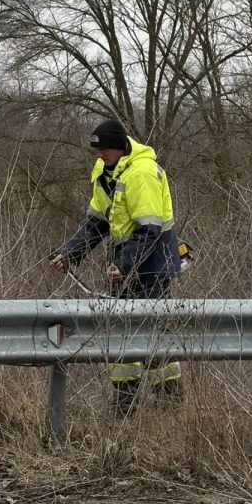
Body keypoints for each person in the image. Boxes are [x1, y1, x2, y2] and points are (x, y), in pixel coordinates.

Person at [49, 118, 183, 413]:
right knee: (121, 332)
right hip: (125, 262)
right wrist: (71, 253)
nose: (100, 156)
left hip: (154, 265)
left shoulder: (143, 173)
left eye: (105, 151)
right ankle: (125, 404)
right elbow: (97, 221)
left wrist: (125, 264)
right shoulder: (103, 172)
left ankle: (169, 402)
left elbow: (149, 230)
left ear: (120, 147)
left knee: (152, 332)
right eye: (97, 152)